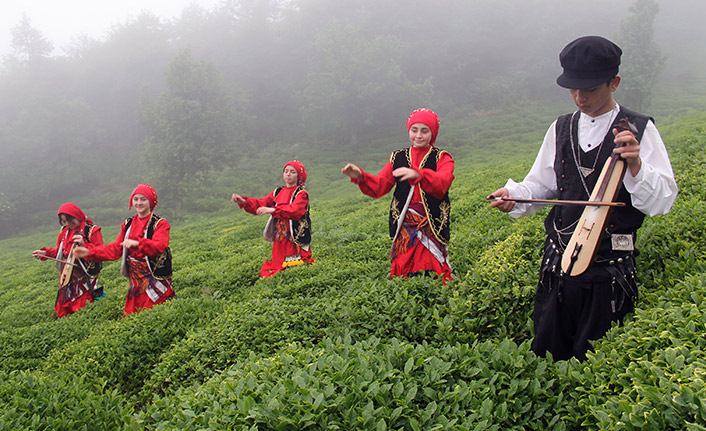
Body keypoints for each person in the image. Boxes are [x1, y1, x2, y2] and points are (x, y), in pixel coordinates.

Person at [488, 36, 678, 361]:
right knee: (547, 357)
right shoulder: (560, 128)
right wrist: (514, 195)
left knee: (597, 365)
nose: (580, 97)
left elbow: (661, 200)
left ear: (614, 82)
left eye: (589, 88)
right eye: (573, 88)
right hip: (557, 267)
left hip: (608, 273)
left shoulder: (640, 130)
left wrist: (636, 164)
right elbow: (541, 185)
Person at [341, 108, 454, 281]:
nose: (418, 135)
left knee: (434, 266)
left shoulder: (442, 157)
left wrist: (420, 175)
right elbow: (380, 186)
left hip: (431, 222)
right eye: (414, 130)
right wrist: (360, 177)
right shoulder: (397, 157)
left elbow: (443, 182)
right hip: (405, 221)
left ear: (433, 132)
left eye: (425, 130)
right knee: (404, 267)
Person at [74, 184, 175, 316]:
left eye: (143, 199)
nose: (139, 203)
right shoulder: (128, 224)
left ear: (150, 202)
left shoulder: (160, 224)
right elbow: (115, 249)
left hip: (154, 277)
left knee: (156, 312)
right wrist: (89, 251)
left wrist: (137, 243)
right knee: (133, 314)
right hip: (136, 281)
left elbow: (159, 246)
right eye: (136, 199)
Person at [231, 160, 314, 278]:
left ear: (299, 176)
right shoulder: (278, 191)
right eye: (286, 171)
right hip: (280, 233)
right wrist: (243, 201)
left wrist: (274, 210)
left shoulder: (301, 194)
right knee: (279, 264)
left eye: (292, 172)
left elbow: (295, 211)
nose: (288, 174)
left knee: (297, 266)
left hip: (294, 233)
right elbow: (261, 203)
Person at [32, 203, 104, 317]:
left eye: (71, 220)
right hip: (67, 277)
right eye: (64, 221)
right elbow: (60, 253)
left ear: (77, 215)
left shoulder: (91, 231)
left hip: (84, 277)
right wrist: (44, 253)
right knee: (64, 312)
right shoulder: (64, 231)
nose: (68, 224)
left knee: (82, 311)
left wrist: (84, 245)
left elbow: (100, 254)